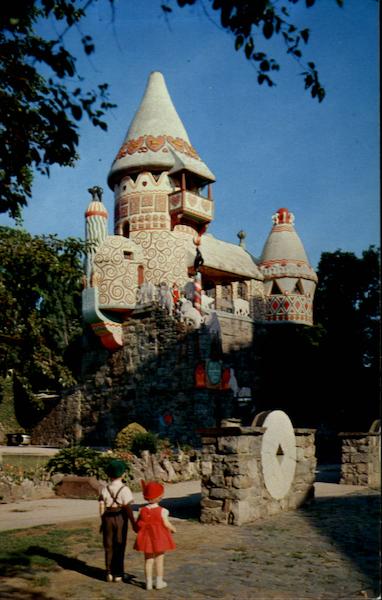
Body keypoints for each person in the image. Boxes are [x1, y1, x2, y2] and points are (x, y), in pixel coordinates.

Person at [99, 459, 137, 582]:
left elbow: (101, 505)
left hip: (107, 517)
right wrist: (133, 522)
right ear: (122, 474)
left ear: (108, 475)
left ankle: (108, 572)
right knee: (119, 544)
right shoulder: (125, 489)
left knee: (108, 545)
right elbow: (127, 507)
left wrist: (102, 520)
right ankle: (118, 573)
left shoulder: (105, 489)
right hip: (120, 517)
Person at [134, 480, 176, 590]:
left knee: (148, 560)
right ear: (160, 496)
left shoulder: (141, 510)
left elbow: (138, 523)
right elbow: (166, 523)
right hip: (159, 538)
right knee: (159, 560)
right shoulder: (163, 511)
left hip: (146, 538)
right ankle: (159, 581)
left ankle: (148, 583)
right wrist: (173, 529)